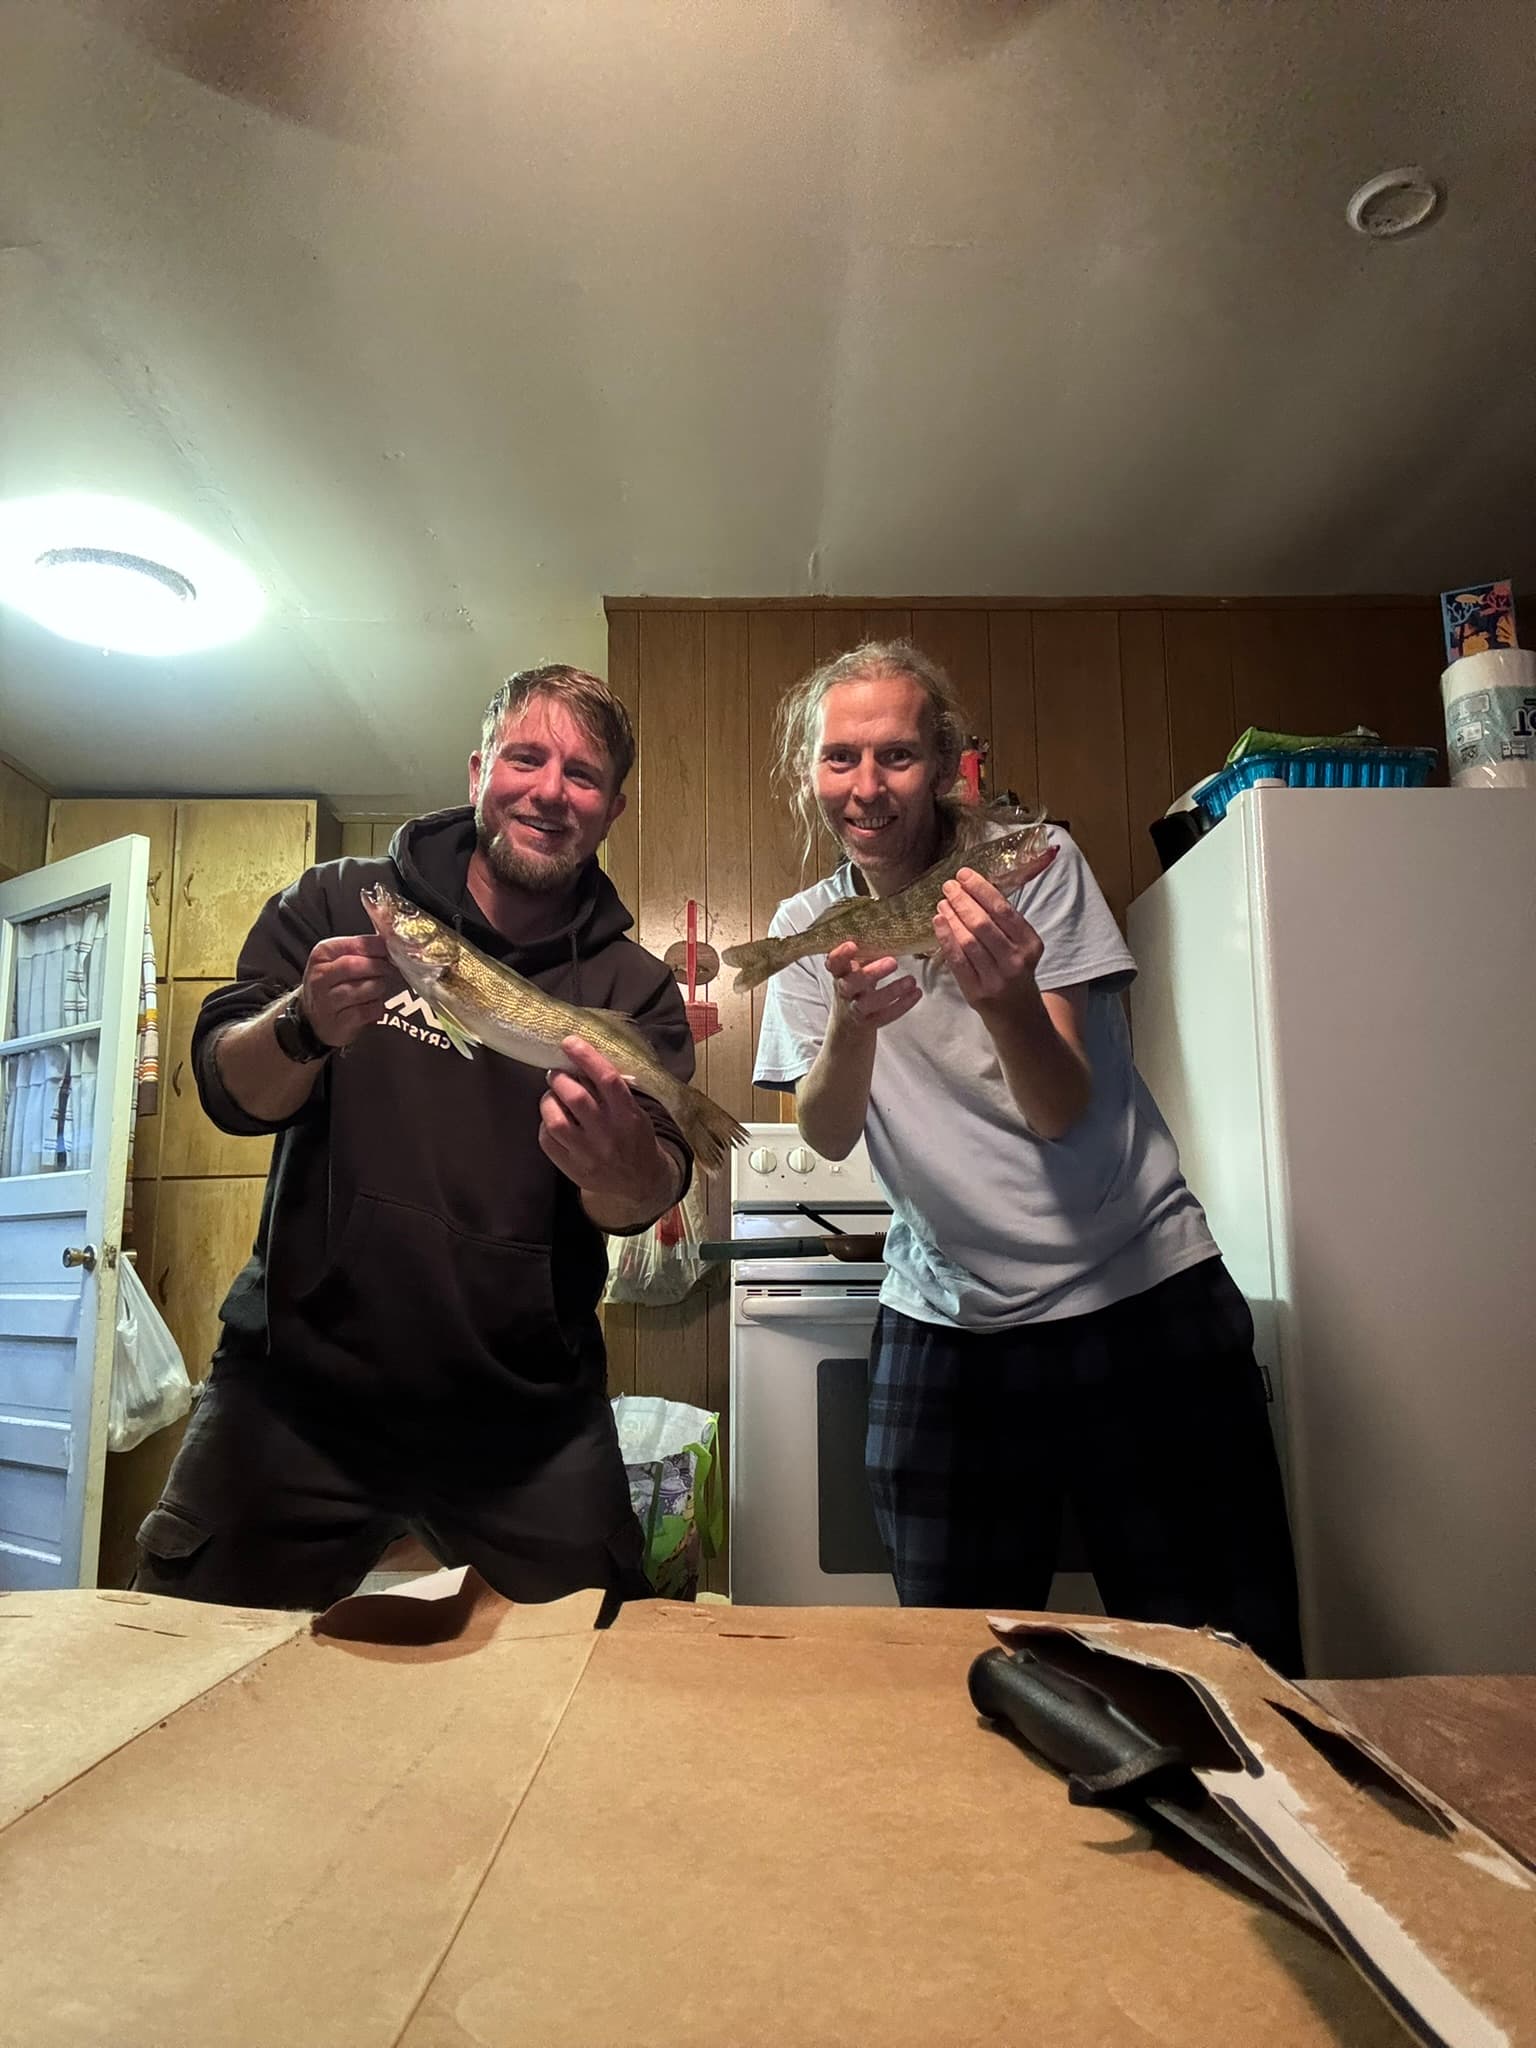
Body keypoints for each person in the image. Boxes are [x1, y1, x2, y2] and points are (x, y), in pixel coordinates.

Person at [752, 641, 1304, 1673]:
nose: (866, 787)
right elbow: (826, 1132)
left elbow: (1057, 1108)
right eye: (840, 758)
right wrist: (852, 1023)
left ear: (949, 760)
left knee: (1224, 1659)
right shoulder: (805, 929)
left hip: (1140, 1290)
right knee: (966, 1663)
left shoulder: (1031, 862)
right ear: (808, 773)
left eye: (898, 755)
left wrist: (1004, 997)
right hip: (947, 1313)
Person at [132, 665, 693, 1614]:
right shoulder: (339, 902)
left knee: (605, 1675)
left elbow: (647, 1193)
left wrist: (623, 1170)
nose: (550, 790)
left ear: (613, 809)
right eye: (527, 757)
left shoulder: (633, 988)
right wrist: (302, 1024)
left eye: (583, 775)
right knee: (170, 1656)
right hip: (297, 1396)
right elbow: (227, 1087)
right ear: (480, 770)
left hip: (529, 1420)